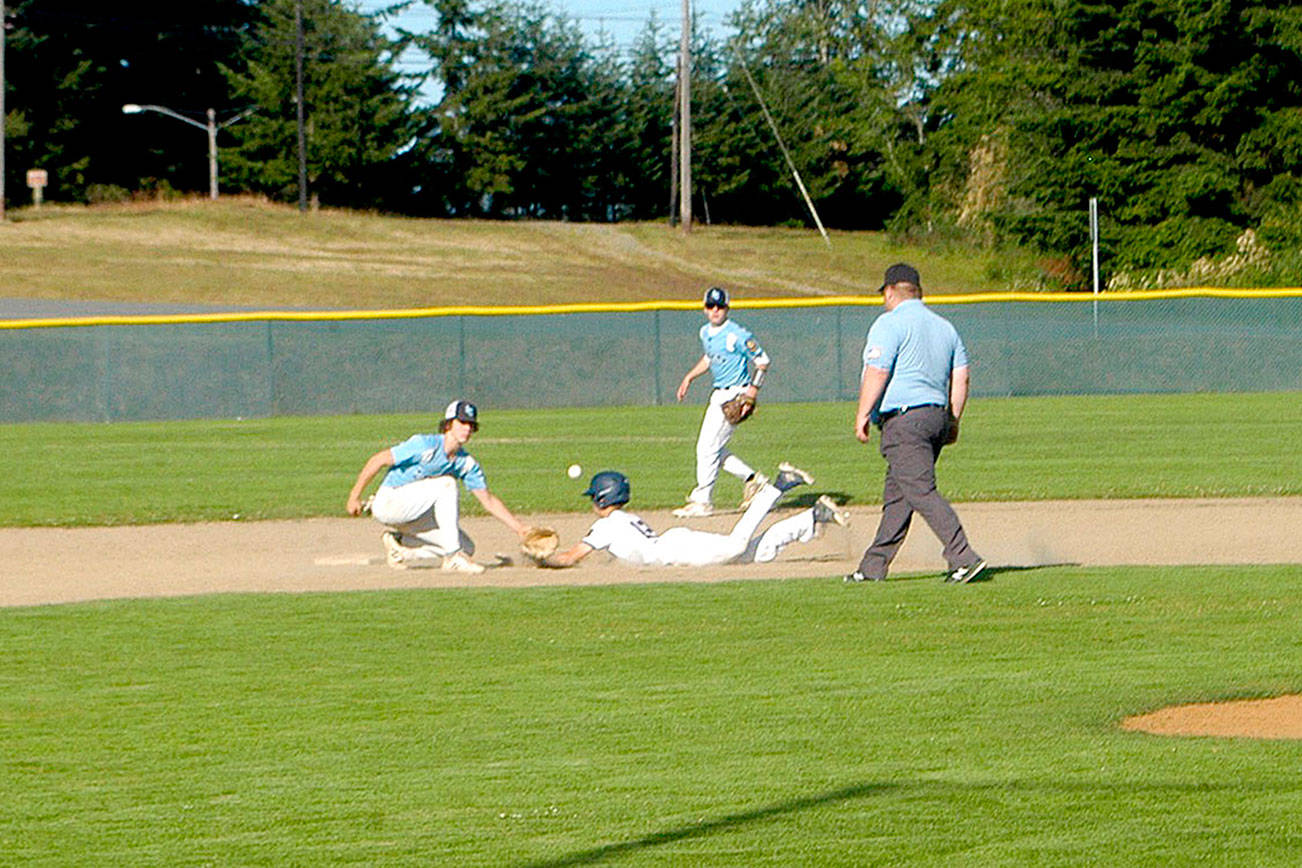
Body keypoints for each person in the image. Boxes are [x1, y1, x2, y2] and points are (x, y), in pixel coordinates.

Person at [846, 263, 987, 585]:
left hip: (905, 420)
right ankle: (872, 567)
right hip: (936, 416)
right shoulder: (945, 327)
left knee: (921, 490)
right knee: (899, 497)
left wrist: (863, 413)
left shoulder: (889, 323)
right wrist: (953, 420)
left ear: (890, 291)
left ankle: (964, 557)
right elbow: (961, 377)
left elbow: (877, 370)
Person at [345, 399, 532, 573]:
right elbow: (378, 460)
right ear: (449, 424)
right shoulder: (424, 444)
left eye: (471, 425)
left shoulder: (465, 463)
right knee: (447, 484)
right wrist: (354, 497)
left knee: (466, 547)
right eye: (462, 422)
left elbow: (488, 500)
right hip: (389, 503)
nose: (467, 428)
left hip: (417, 514)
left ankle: (400, 547)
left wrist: (520, 528)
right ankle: (452, 557)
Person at [540, 463, 849, 569]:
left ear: (602, 498)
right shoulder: (624, 519)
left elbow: (569, 558)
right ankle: (812, 518)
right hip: (677, 545)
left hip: (679, 550)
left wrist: (541, 560)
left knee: (737, 545)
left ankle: (778, 486)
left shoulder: (606, 525)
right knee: (757, 553)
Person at [673, 286, 771, 518]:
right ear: (704, 309)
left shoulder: (737, 334)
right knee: (711, 448)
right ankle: (753, 480)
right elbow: (710, 358)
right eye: (711, 306)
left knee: (707, 448)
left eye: (720, 306)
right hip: (718, 394)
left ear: (727, 308)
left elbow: (763, 361)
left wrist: (752, 393)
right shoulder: (705, 332)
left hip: (736, 394)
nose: (715, 310)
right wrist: (689, 377)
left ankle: (703, 500)